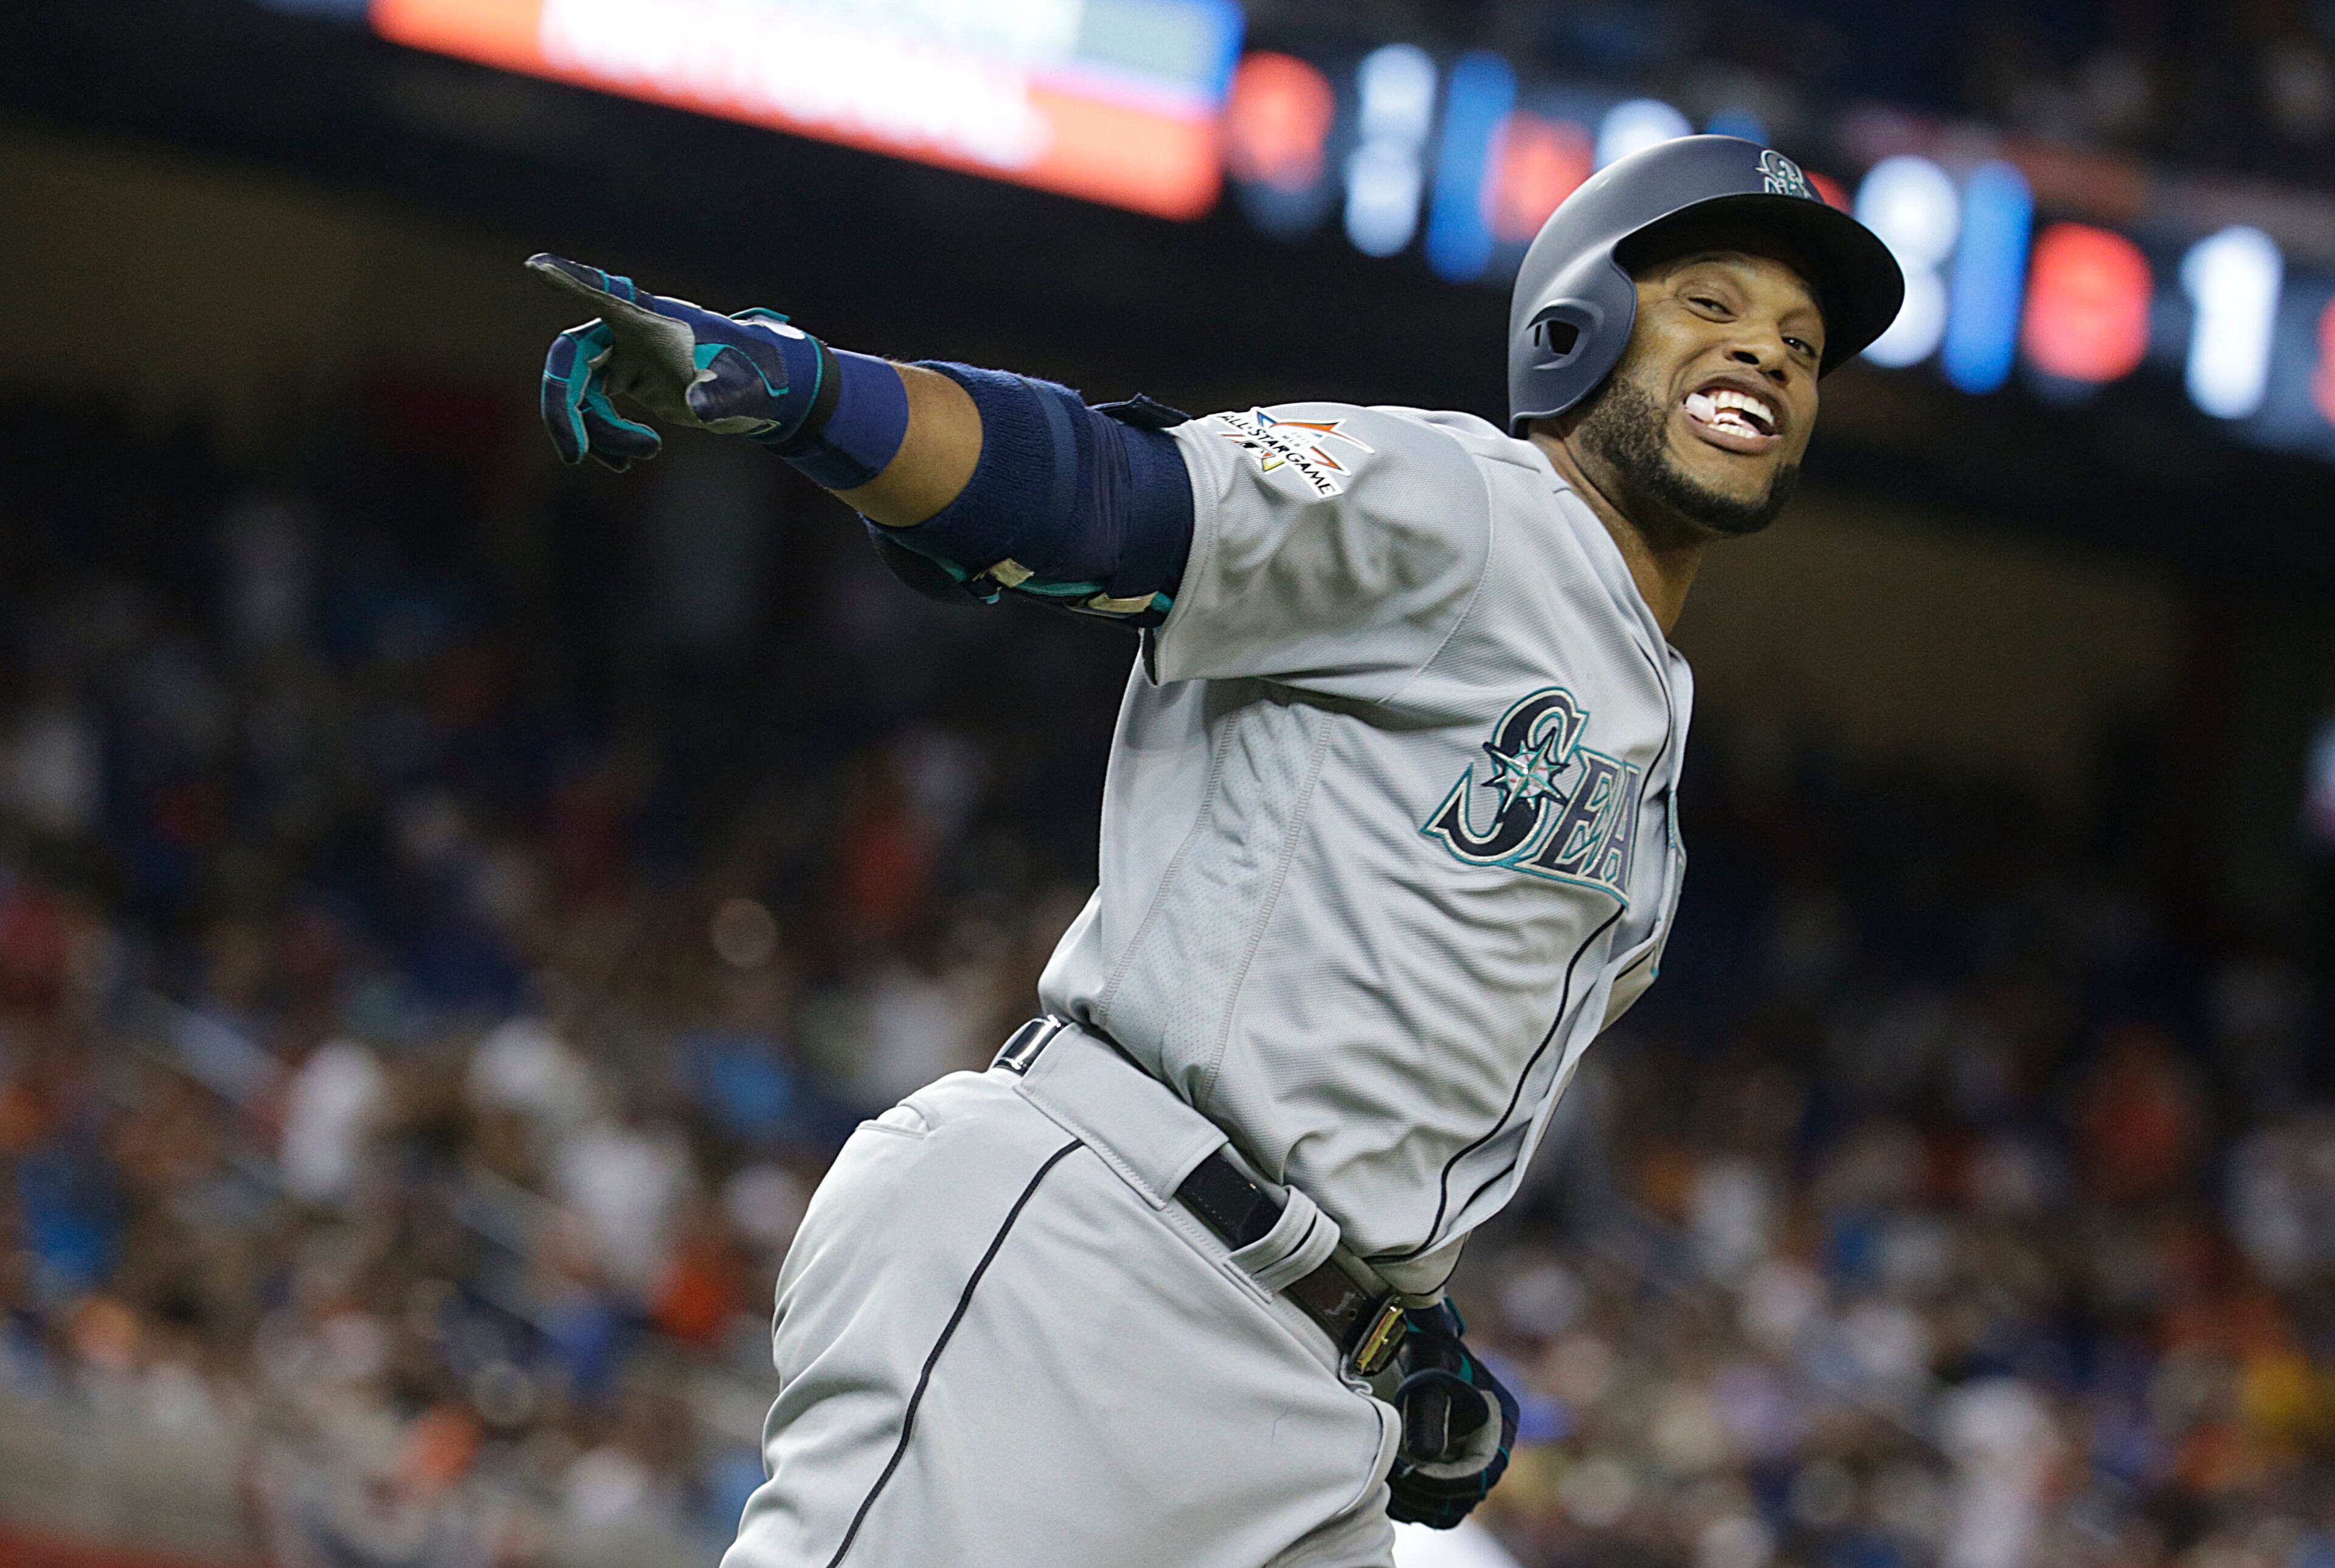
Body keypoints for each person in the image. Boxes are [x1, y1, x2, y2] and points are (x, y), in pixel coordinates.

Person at [530, 135, 1903, 1568]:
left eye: (1803, 345)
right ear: (1581, 326)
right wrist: (806, 388)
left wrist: (1393, 1316)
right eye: (1712, 304)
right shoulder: (1460, 499)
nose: (1767, 355)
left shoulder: (1655, 736)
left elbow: (1370, 1066)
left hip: (1309, 1388)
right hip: (1102, 1259)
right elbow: (1110, 500)